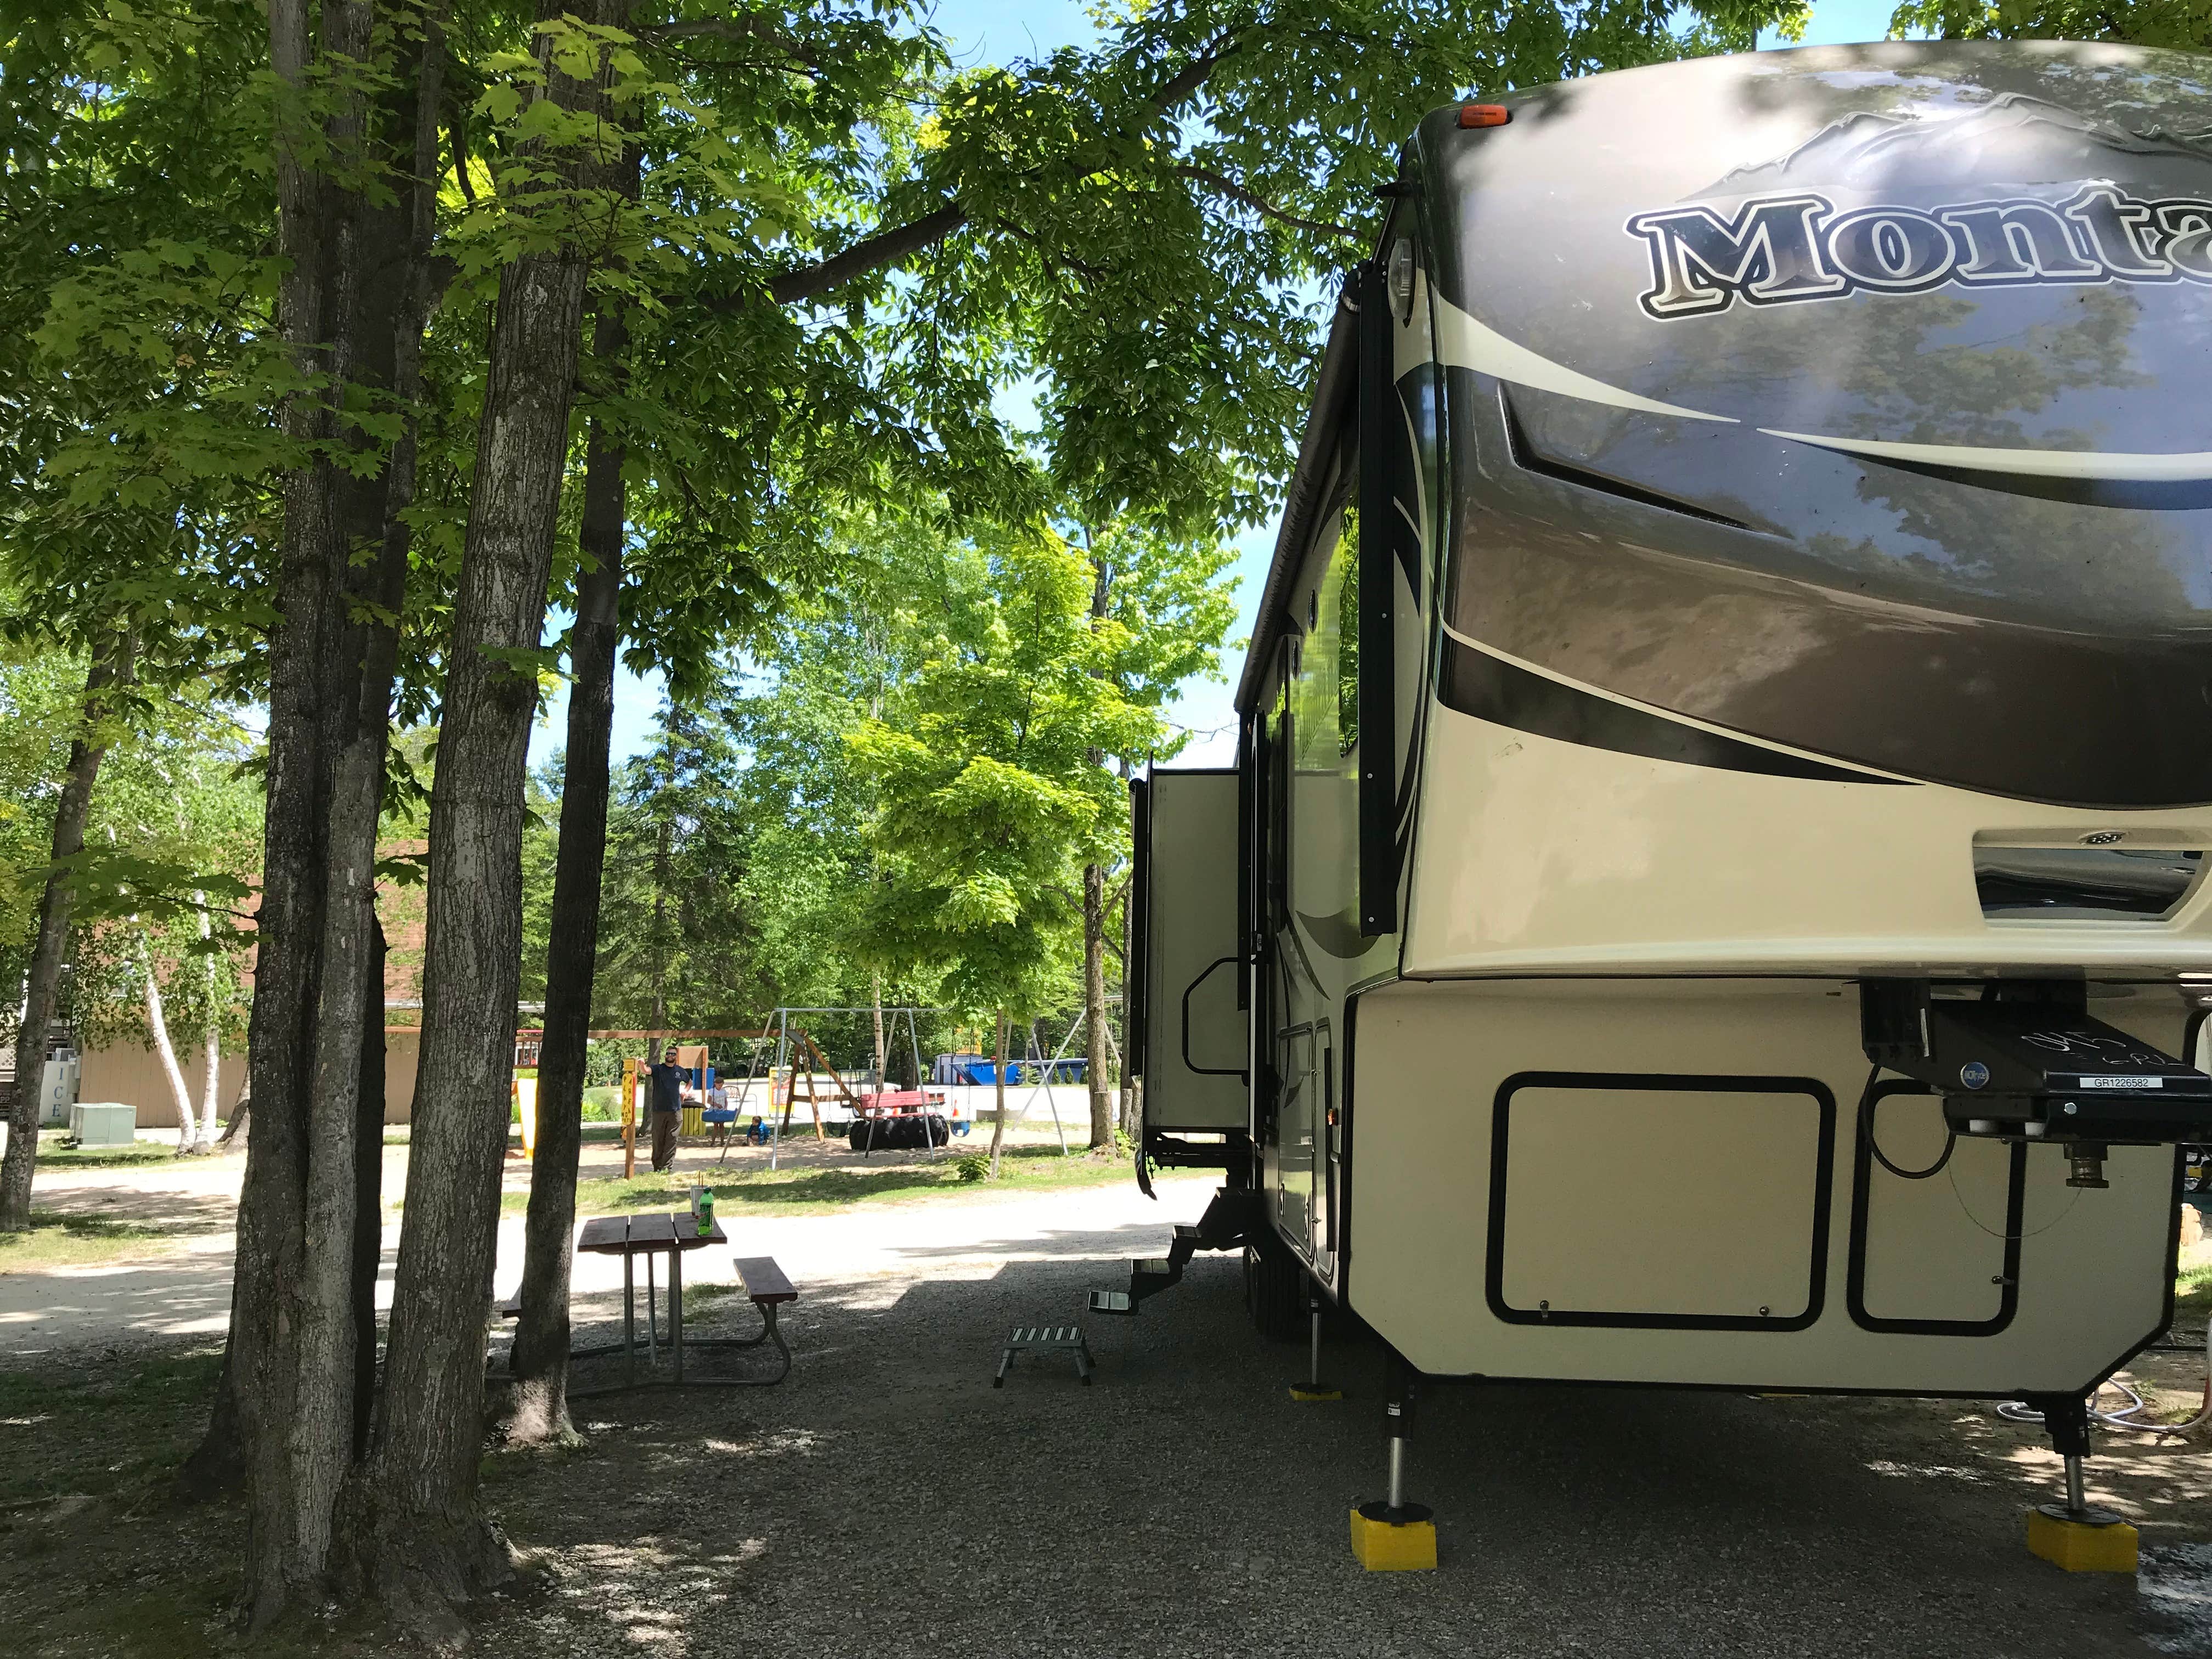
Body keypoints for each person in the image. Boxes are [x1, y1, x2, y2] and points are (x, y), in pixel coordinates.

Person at [648, 1058, 684, 1172]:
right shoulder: (658, 1069)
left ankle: (667, 1167)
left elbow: (689, 1081)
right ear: (666, 1056)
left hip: (675, 1111)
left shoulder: (679, 1071)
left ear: (676, 1056)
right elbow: (647, 1071)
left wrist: (685, 1092)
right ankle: (657, 1166)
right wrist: (641, 1065)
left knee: (672, 1139)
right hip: (659, 1110)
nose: (671, 1056)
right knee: (658, 1138)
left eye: (673, 1054)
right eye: (669, 1053)